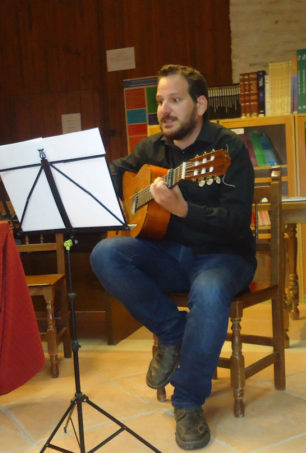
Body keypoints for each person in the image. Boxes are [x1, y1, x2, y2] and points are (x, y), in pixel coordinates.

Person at [90, 64, 256, 450]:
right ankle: (172, 331)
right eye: (160, 101)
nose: (164, 109)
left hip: (223, 256)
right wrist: (120, 191)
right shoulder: (151, 148)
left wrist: (185, 211)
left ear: (199, 105)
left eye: (175, 100)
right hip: (169, 254)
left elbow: (235, 223)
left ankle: (188, 401)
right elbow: (116, 174)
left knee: (211, 292)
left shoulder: (226, 148)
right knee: (107, 253)